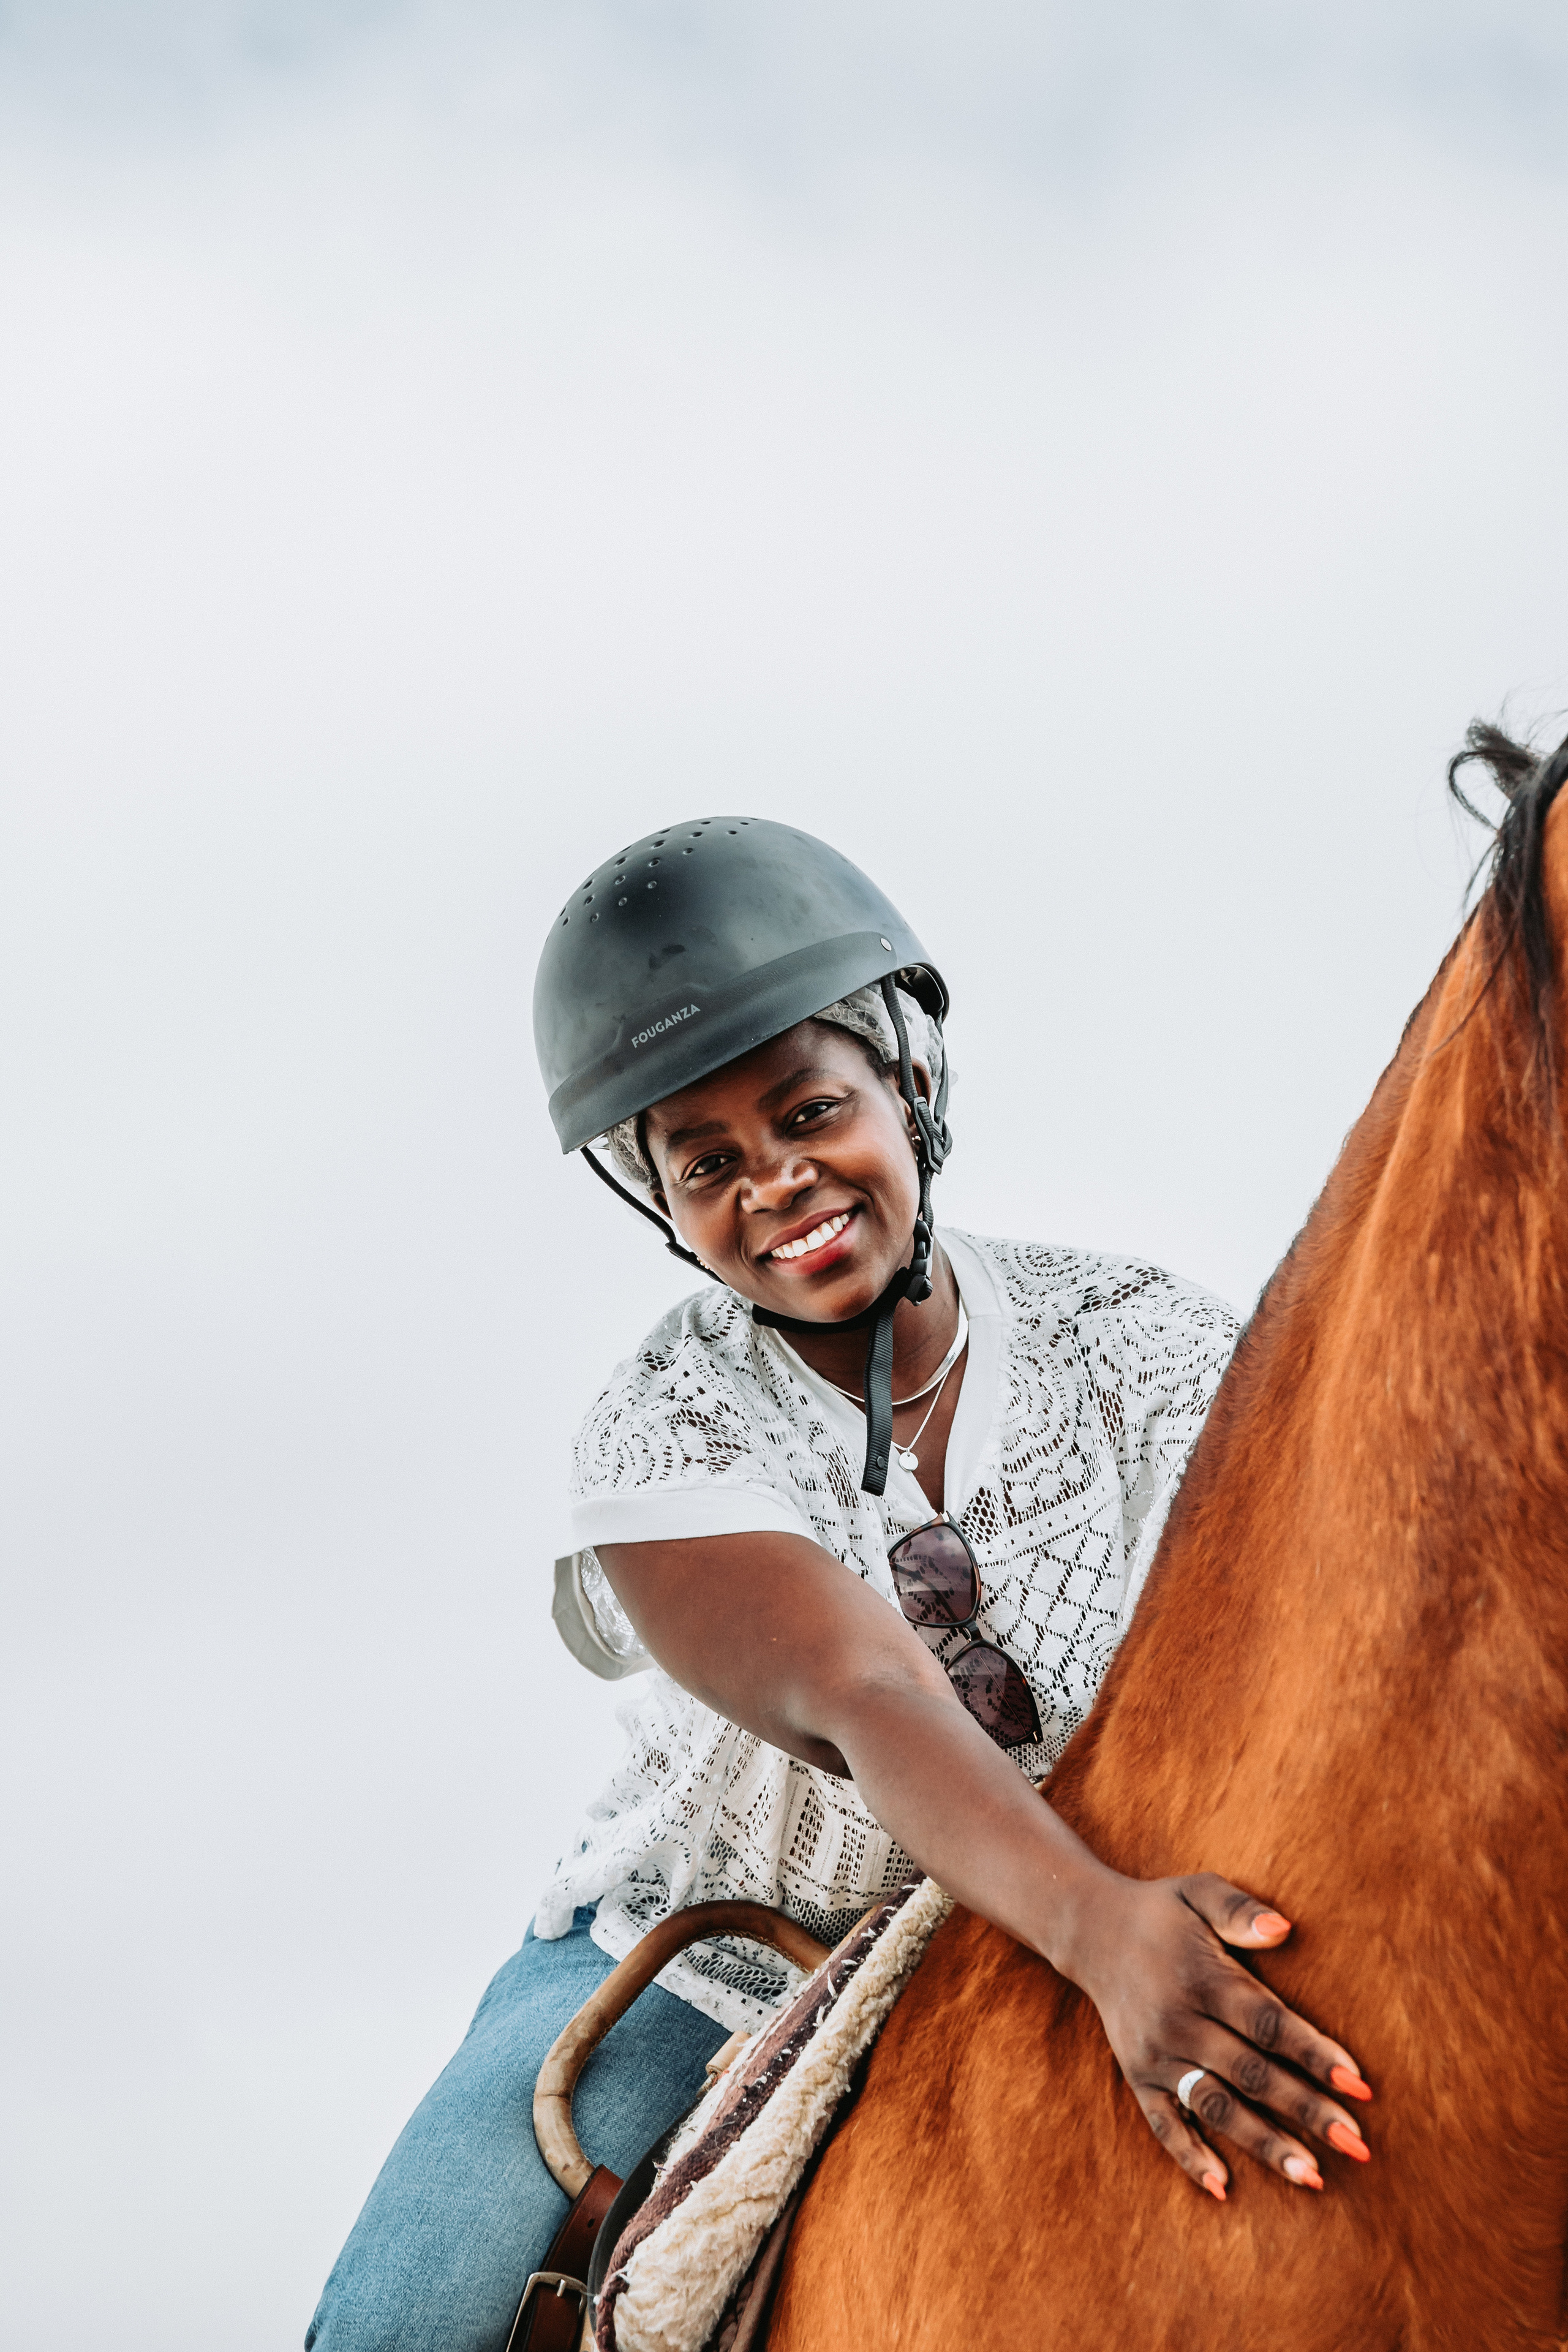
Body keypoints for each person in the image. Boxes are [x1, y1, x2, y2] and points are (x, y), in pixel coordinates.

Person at [307, 816, 1371, 2352]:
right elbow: (866, 1693)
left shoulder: (1149, 1342)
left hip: (1106, 1890)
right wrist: (1100, 1936)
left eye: (809, 1110)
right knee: (411, 2317)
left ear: (907, 1085)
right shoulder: (660, 1430)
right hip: (721, 1957)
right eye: (707, 1163)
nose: (775, 1181)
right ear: (659, 1201)